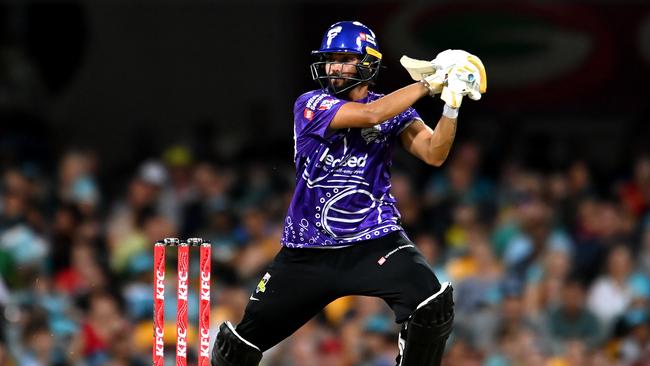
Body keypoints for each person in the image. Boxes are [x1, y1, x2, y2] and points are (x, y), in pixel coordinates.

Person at [212, 20, 485, 366]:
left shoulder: (394, 106)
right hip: (308, 250)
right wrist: (430, 83)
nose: (334, 67)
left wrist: (451, 103)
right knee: (240, 345)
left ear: (368, 63)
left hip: (373, 240)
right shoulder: (311, 104)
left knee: (431, 305)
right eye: (331, 59)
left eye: (344, 58)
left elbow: (434, 152)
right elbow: (371, 115)